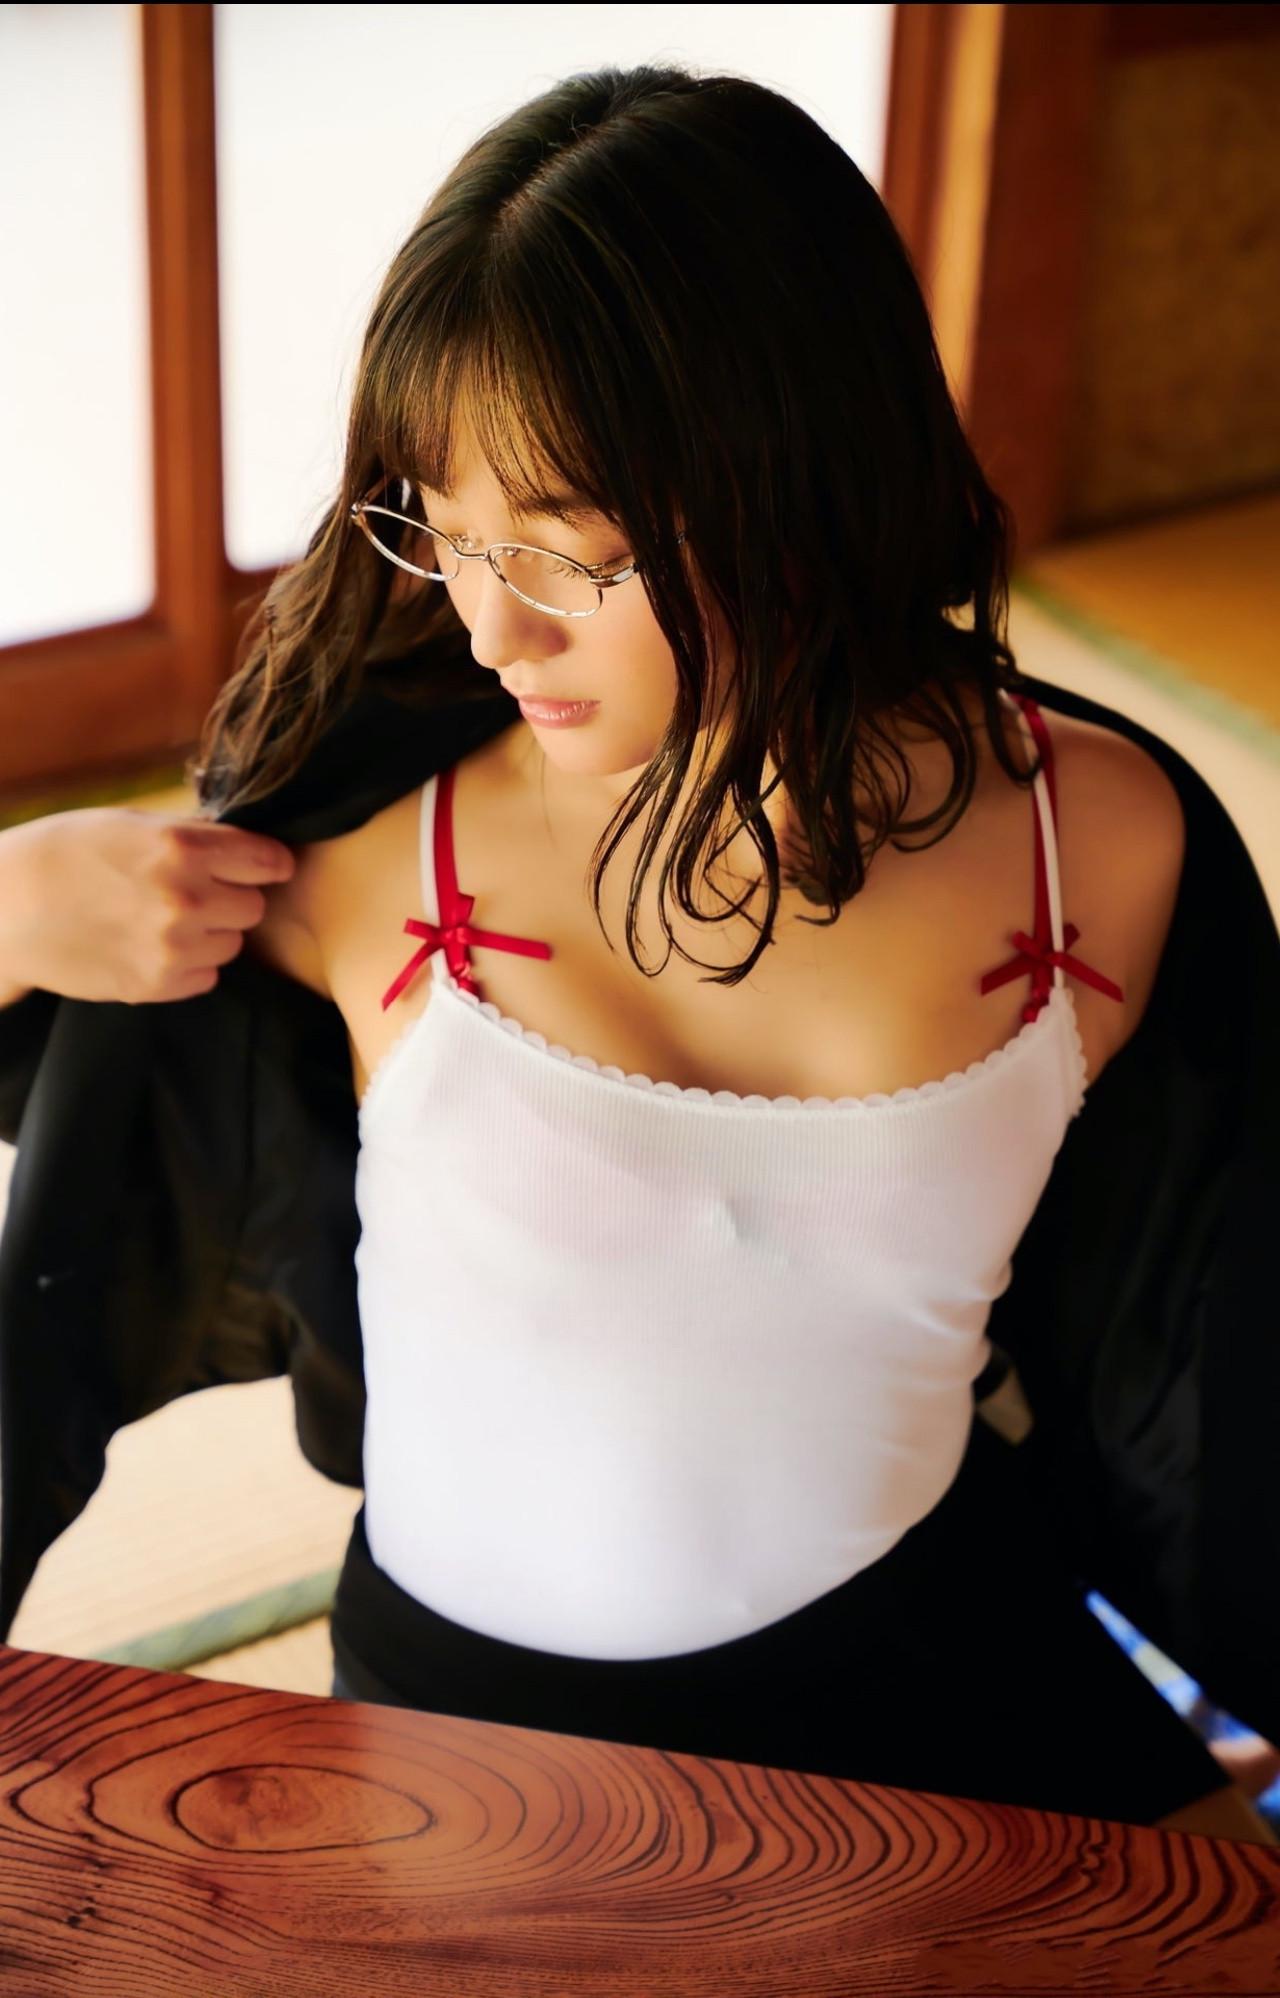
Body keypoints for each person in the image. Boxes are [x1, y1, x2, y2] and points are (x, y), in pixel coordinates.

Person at [0, 63, 1274, 1843]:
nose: (490, 628)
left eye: (562, 558)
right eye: (443, 537)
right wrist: (7, 900)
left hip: (933, 1657)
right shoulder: (356, 846)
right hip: (468, 1744)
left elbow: (1210, 1335)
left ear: (791, 481)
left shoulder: (1102, 843)